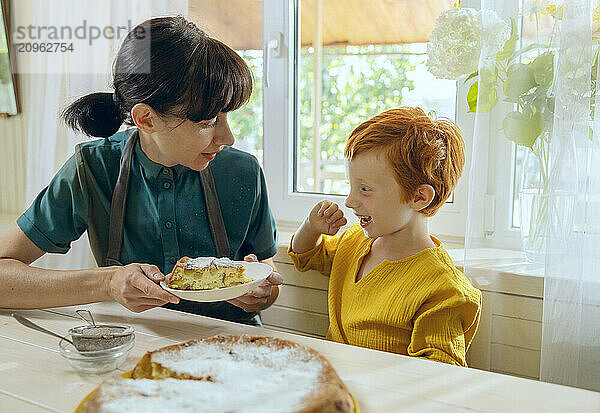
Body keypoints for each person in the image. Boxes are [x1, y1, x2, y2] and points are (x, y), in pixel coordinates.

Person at [0, 16, 282, 326]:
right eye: (208, 122)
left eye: (226, 115)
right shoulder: (92, 169)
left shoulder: (244, 172)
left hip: (234, 345)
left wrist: (259, 292)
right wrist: (107, 283)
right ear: (146, 118)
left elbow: (264, 274)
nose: (228, 138)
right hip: (132, 343)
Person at [288, 107, 481, 366]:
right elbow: (306, 257)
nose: (350, 201)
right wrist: (311, 228)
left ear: (419, 197)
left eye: (365, 189)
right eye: (351, 186)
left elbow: (441, 377)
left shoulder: (443, 289)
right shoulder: (354, 240)